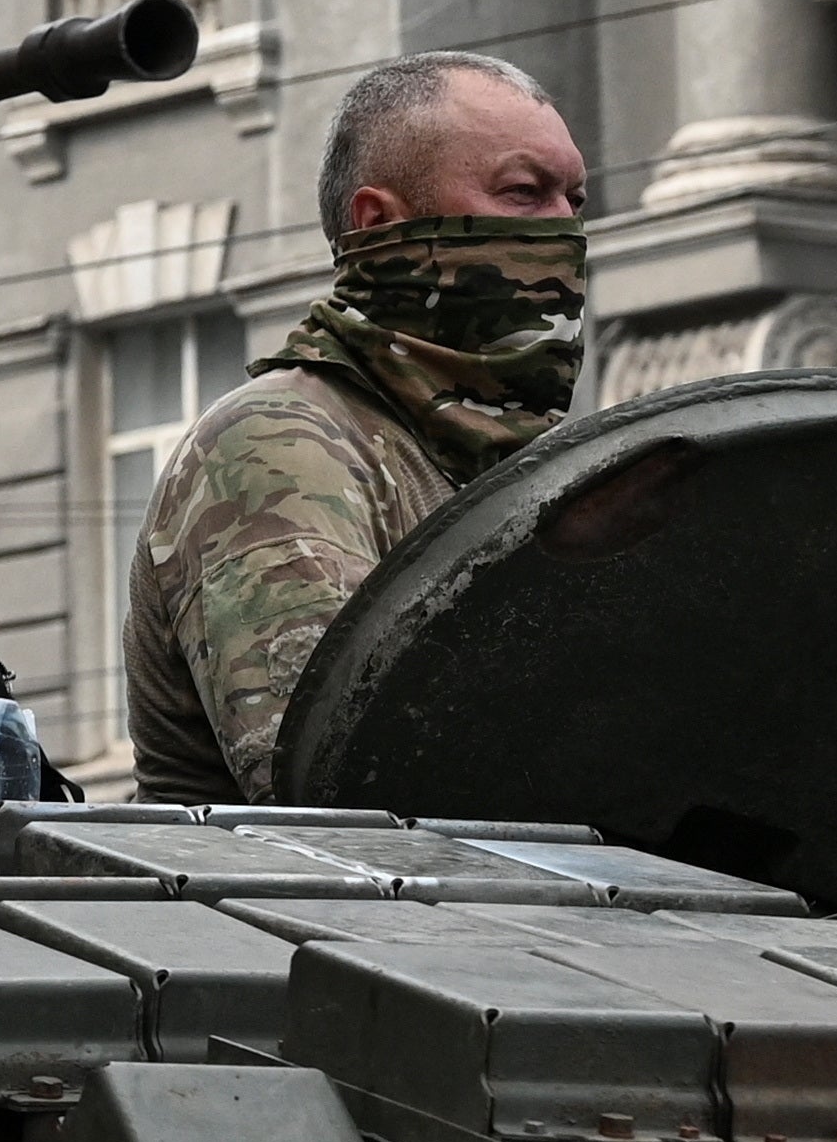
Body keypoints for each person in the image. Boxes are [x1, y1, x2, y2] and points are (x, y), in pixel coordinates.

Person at [121, 50, 591, 803]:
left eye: (575, 200)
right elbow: (333, 777)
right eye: (524, 194)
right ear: (379, 224)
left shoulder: (504, 465)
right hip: (308, 914)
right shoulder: (279, 443)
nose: (565, 233)